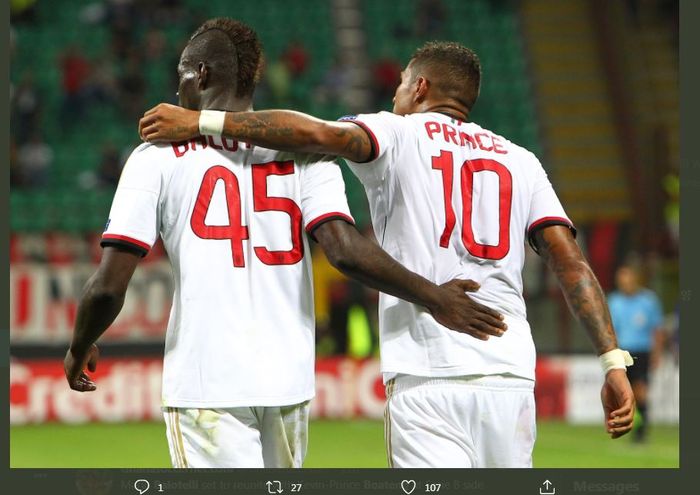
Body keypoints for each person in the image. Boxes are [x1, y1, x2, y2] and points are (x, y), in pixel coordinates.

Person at [138, 40, 636, 468]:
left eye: (401, 83)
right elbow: (572, 264)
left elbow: (316, 135)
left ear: (419, 88)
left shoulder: (394, 132)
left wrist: (200, 121)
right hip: (508, 375)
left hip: (427, 372)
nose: (395, 93)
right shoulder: (522, 162)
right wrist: (612, 361)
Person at [64, 20, 506, 469]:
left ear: (200, 74)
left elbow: (108, 286)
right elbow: (345, 251)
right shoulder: (307, 155)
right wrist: (433, 295)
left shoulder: (154, 156)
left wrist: (80, 346)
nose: (176, 89)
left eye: (180, 75)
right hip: (288, 383)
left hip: (206, 381)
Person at [608, 263, 665, 442]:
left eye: (627, 278)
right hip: (621, 352)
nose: (624, 282)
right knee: (625, 392)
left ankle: (643, 427)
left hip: (641, 351)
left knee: (640, 390)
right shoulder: (614, 301)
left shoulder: (648, 300)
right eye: (621, 279)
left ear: (635, 279)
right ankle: (630, 424)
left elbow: (657, 330)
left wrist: (657, 354)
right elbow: (609, 330)